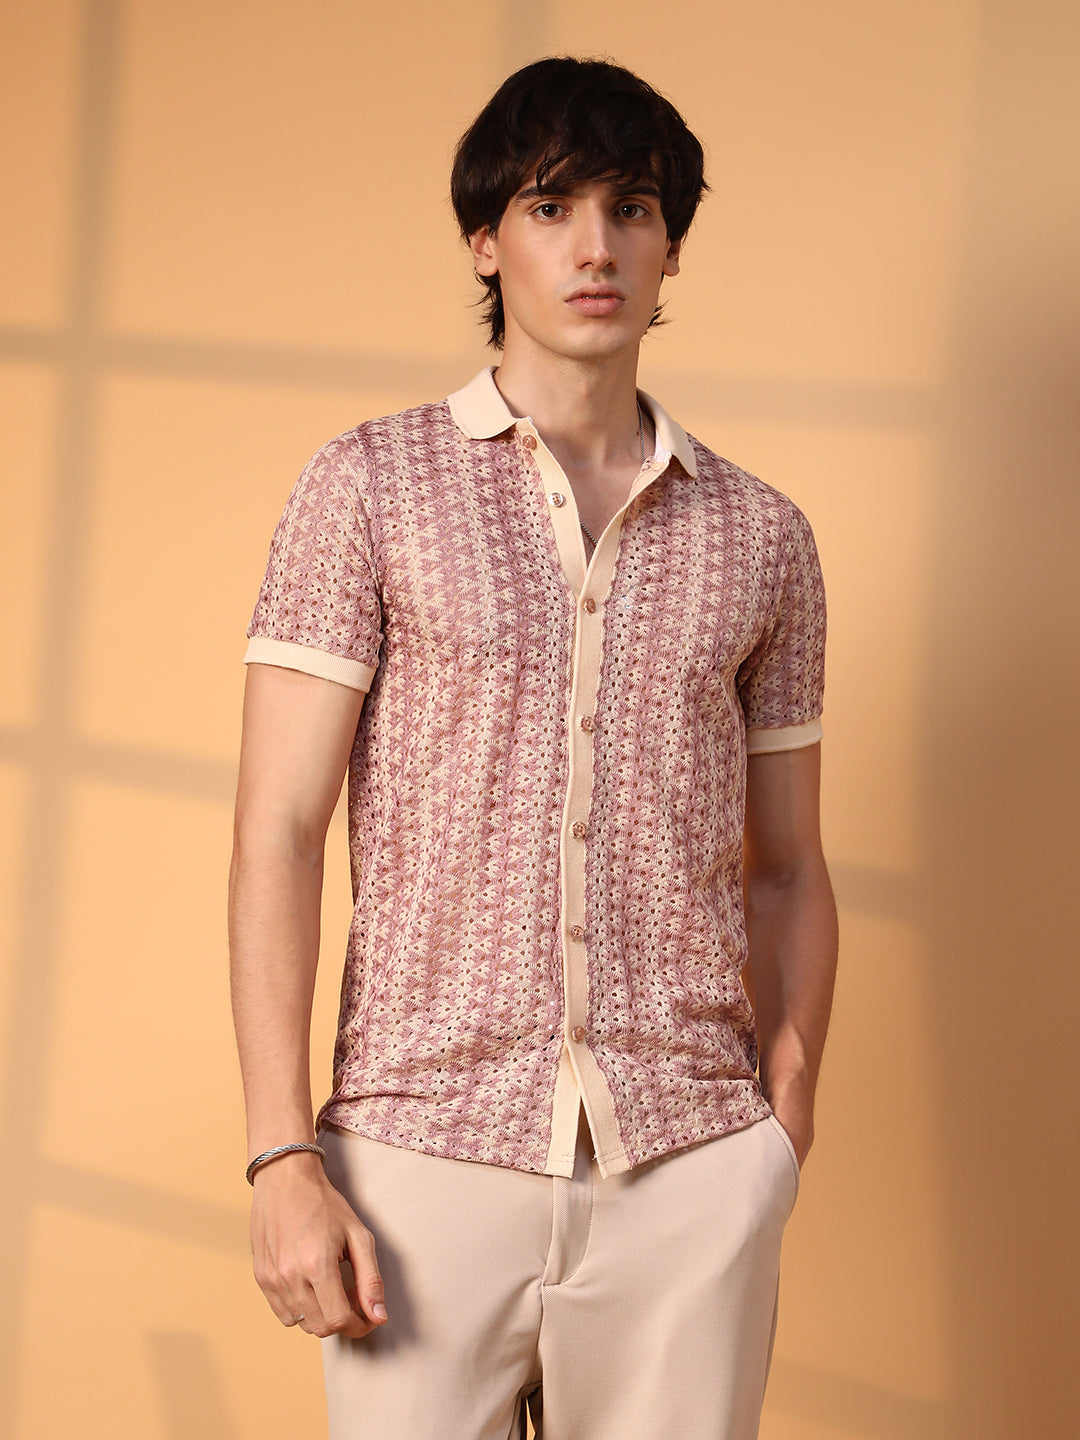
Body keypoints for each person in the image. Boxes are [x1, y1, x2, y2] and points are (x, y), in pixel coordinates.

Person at [229, 55, 838, 1440]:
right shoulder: (366, 489)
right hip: (418, 1154)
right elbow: (279, 832)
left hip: (688, 1160)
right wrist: (281, 1155)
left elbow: (790, 866)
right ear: (484, 239)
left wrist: (780, 1132)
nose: (594, 247)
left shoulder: (764, 537)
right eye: (551, 206)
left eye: (633, 208)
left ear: (672, 244)